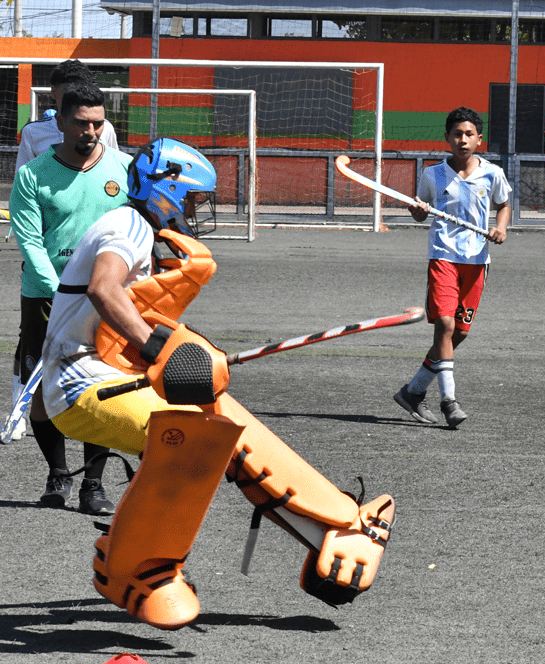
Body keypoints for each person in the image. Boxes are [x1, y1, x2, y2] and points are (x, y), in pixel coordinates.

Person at [41, 137, 394, 630]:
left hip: (105, 376)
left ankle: (335, 529)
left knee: (220, 419)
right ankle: (135, 573)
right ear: (166, 187)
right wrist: (156, 348)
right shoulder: (127, 224)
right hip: (81, 382)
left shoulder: (144, 232)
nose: (194, 210)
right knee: (192, 438)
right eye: (191, 198)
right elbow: (104, 289)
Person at [9, 82, 130, 514]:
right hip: (45, 296)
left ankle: (93, 485)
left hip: (105, 300)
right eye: (81, 123)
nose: (91, 131)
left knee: (98, 387)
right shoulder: (32, 175)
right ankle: (58, 473)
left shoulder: (125, 169)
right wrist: (59, 288)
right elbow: (28, 240)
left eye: (98, 123)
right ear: (59, 122)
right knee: (41, 390)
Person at [392, 107, 511, 429]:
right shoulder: (433, 174)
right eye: (457, 134)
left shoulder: (492, 173)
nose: (463, 139)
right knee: (444, 325)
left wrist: (500, 227)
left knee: (457, 334)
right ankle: (449, 400)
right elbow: (420, 214)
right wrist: (416, 208)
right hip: (444, 256)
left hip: (477, 262)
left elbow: (503, 206)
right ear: (447, 138)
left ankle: (413, 391)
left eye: (469, 134)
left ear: (479, 139)